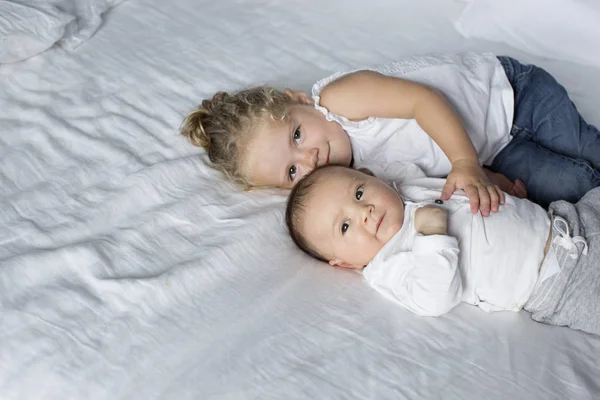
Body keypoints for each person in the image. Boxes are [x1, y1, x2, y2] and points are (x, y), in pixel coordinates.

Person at [181, 52, 600, 212]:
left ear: (300, 102)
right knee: (576, 185)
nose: (308, 158)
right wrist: (489, 180)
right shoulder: (357, 181)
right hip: (491, 149)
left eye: (296, 137)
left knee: (586, 148)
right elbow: (435, 177)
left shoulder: (341, 99)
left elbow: (425, 102)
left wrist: (464, 162)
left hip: (509, 93)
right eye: (291, 172)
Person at [285, 164, 599, 336]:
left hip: (567, 219)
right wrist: (431, 237)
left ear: (370, 175)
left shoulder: (408, 187)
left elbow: (462, 182)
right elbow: (431, 298)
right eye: (344, 226)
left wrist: (495, 186)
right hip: (560, 286)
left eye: (358, 192)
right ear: (343, 263)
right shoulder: (386, 268)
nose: (363, 211)